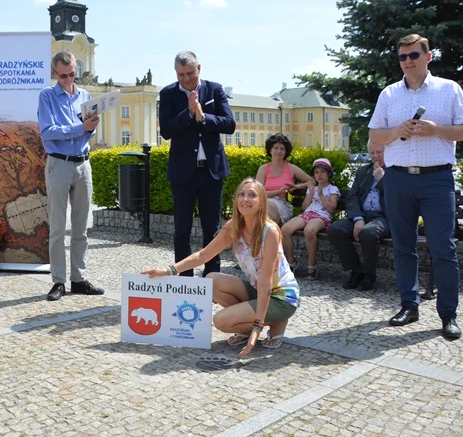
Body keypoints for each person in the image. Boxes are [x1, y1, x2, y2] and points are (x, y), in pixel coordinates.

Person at [369, 33, 463, 340]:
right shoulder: (389, 94)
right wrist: (396, 131)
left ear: (428, 56)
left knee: (443, 248)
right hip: (399, 178)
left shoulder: (449, 89)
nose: (408, 62)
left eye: (414, 55)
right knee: (403, 247)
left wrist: (435, 130)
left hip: (436, 178)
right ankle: (408, 305)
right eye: (402, 57)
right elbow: (375, 136)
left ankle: (448, 314)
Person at [142, 178, 299, 358]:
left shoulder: (269, 231)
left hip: (281, 297)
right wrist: (170, 270)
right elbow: (203, 255)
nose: (245, 199)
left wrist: (257, 328)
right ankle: (247, 322)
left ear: (261, 201)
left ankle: (277, 322)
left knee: (221, 321)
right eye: (242, 194)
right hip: (258, 290)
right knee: (212, 280)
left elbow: (265, 283)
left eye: (252, 195)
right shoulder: (234, 225)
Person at [158, 51, 236, 277]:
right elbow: (166, 131)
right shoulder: (168, 94)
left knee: (212, 230)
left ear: (199, 69)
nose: (186, 78)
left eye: (190, 73)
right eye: (181, 74)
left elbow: (229, 124)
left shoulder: (214, 89)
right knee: (182, 230)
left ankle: (212, 276)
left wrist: (203, 117)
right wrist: (189, 113)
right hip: (183, 173)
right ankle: (185, 278)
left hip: (212, 171)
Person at [37, 50, 105, 301]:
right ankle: (58, 282)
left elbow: (85, 134)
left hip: (83, 164)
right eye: (64, 75)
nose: (68, 79)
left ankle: (78, 279)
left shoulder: (85, 96)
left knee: (81, 227)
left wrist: (90, 128)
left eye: (72, 74)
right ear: (54, 73)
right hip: (59, 164)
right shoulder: (46, 96)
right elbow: (48, 131)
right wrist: (81, 127)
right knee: (57, 227)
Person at [327, 142, 390, 292]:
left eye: (379, 152)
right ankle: (356, 270)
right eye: (372, 153)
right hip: (362, 215)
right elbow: (352, 197)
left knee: (368, 233)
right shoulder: (363, 171)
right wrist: (358, 218)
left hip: (384, 217)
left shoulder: (396, 172)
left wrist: (383, 180)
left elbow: (397, 199)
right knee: (335, 229)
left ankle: (369, 274)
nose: (375, 156)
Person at [280, 158, 340, 280]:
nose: (319, 175)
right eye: (316, 172)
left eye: (322, 171)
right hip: (308, 214)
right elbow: (304, 207)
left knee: (309, 230)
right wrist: (310, 195)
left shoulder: (332, 189)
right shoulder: (311, 188)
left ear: (329, 173)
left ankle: (312, 266)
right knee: (285, 229)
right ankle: (291, 262)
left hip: (322, 216)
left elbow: (331, 209)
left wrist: (322, 196)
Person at [255, 134, 313, 225]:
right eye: (276, 148)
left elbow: (312, 181)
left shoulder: (291, 168)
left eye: (282, 149)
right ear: (270, 150)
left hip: (283, 204)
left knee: (263, 209)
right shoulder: (263, 169)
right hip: (264, 202)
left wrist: (298, 186)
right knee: (256, 209)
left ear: (286, 152)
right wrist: (278, 191)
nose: (279, 151)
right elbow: (258, 194)